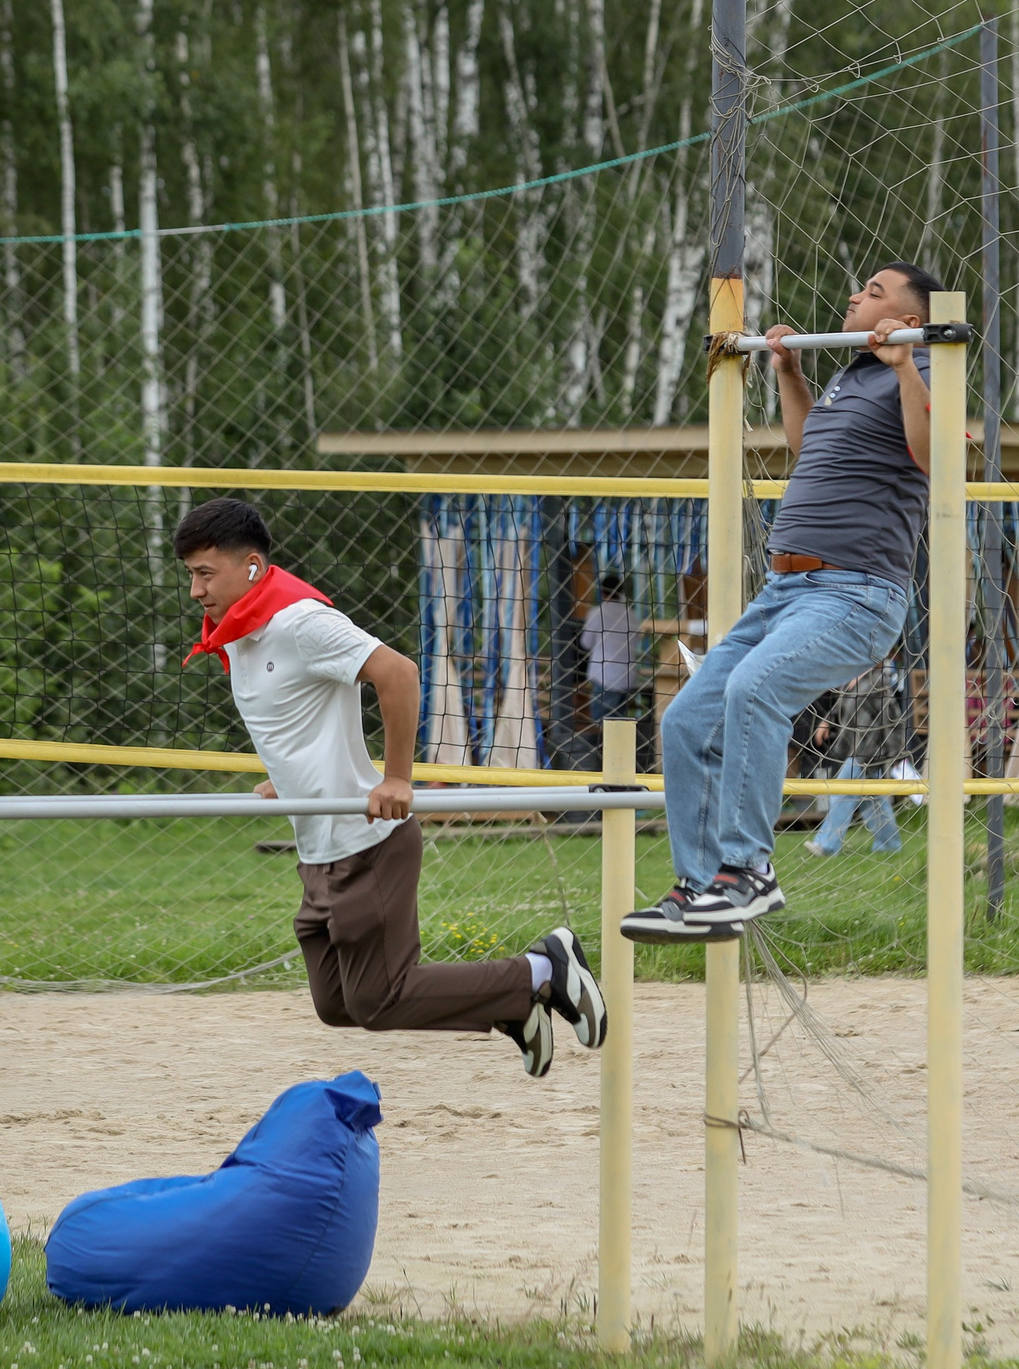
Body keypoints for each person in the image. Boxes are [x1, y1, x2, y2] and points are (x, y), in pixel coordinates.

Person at [173, 497, 606, 1078]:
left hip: (368, 841)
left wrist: (398, 776)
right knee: (337, 1004)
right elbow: (296, 716)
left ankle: (541, 970)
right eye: (190, 576)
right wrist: (289, 779)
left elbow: (398, 673)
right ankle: (512, 1006)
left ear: (251, 566)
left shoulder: (301, 621)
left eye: (205, 574)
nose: (196, 590)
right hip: (318, 848)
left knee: (379, 999)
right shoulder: (237, 634)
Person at [622, 263, 943, 942]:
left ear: (909, 320)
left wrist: (908, 364)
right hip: (786, 591)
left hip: (855, 594)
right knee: (684, 721)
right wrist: (790, 376)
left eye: (874, 292)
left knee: (754, 688)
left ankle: (748, 873)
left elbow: (932, 452)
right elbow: (808, 447)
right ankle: (700, 886)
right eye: (858, 288)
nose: (855, 295)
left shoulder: (922, 372)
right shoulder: (849, 377)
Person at [805, 663, 907, 858]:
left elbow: (893, 719)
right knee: (874, 801)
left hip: (870, 752)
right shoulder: (850, 678)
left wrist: (896, 752)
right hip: (853, 748)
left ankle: (827, 845)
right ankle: (890, 844)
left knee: (842, 792)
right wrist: (827, 722)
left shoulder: (879, 680)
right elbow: (840, 706)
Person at [580, 573, 643, 732]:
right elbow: (637, 641)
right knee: (620, 726)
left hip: (604, 677)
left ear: (602, 591)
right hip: (627, 677)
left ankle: (604, 755)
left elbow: (585, 643)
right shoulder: (631, 614)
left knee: (602, 727)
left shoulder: (597, 613)